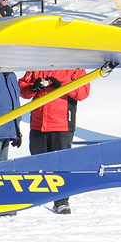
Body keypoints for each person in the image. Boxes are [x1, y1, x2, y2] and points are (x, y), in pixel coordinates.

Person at [18, 68, 91, 214]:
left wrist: (62, 86)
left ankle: (61, 200)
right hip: (38, 124)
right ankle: (37, 197)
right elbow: (23, 89)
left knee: (61, 165)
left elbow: (83, 92)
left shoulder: (75, 68)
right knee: (37, 163)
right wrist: (33, 88)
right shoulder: (38, 65)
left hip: (62, 124)